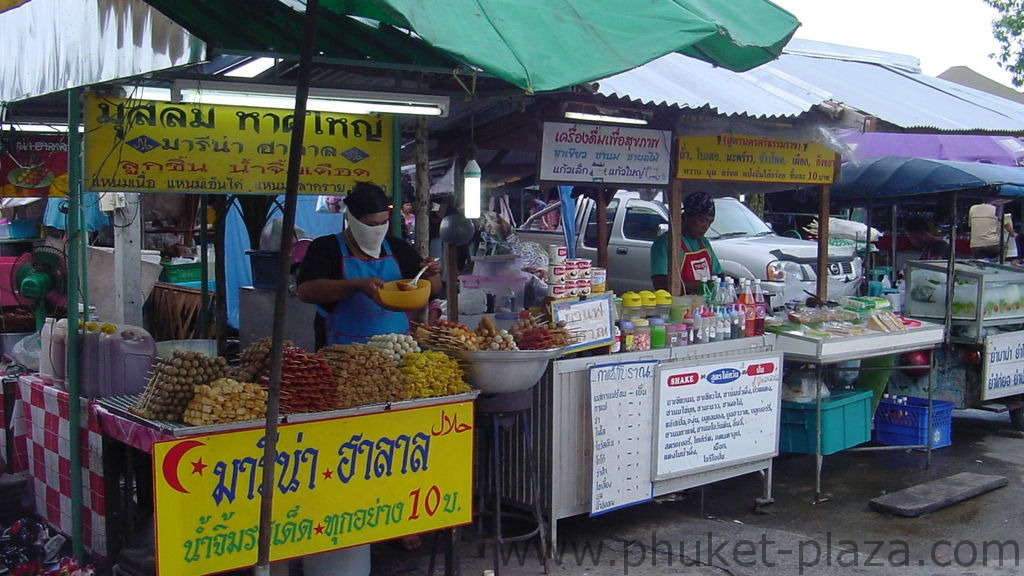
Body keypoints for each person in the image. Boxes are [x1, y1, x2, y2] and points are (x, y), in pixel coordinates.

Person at [297, 182, 440, 348]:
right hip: (342, 352)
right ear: (351, 218)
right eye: (371, 225)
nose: (378, 230)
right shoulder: (326, 248)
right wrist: (356, 285)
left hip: (397, 349)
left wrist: (431, 274)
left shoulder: (398, 248)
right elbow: (306, 292)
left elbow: (432, 290)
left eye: (383, 223)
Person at [650, 191, 722, 295]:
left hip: (704, 307)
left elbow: (719, 275)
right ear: (687, 216)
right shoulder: (664, 243)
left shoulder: (703, 243)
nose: (706, 227)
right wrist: (701, 285)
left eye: (710, 222)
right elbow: (661, 284)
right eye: (702, 220)